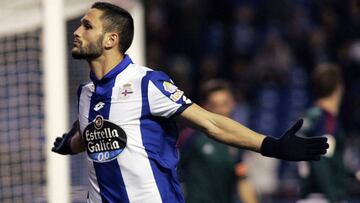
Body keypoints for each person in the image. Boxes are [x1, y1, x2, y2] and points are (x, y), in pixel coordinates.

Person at [51, 2, 328, 203]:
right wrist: (70, 143)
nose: (76, 31)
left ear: (111, 39)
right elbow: (94, 134)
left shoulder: (147, 83)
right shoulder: (86, 93)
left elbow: (210, 122)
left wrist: (271, 145)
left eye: (87, 25)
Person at [178, 79, 258, 203]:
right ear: (205, 107)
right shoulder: (191, 137)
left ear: (233, 104)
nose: (221, 110)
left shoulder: (237, 141)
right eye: (215, 105)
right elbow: (174, 173)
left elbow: (242, 178)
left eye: (225, 104)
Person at [297, 63, 360, 203]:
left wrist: (353, 173)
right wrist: (334, 198)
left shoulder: (308, 117)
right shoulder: (326, 119)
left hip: (308, 195)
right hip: (323, 196)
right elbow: (321, 160)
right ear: (339, 88)